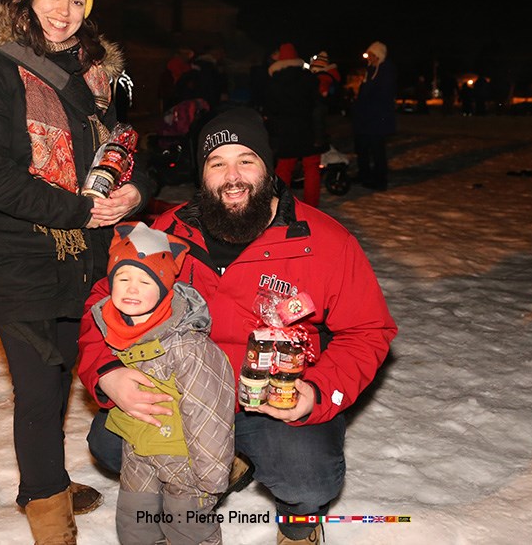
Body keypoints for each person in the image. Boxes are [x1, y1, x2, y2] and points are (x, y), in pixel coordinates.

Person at [79, 106, 397, 545]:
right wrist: (106, 373)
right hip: (183, 392)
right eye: (217, 163)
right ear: (202, 174)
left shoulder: (324, 241)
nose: (232, 176)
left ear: (268, 169)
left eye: (246, 160)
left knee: (307, 479)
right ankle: (224, 463)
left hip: (273, 399)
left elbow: (368, 330)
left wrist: (318, 391)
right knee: (110, 442)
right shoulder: (166, 233)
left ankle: (297, 524)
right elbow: (103, 300)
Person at [0, 0, 154, 544]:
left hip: (88, 258)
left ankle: (45, 479)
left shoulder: (98, 76)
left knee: (67, 372)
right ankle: (48, 516)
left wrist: (135, 194)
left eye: (75, 0)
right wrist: (79, 209)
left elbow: (130, 150)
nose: (62, 11)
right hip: (22, 258)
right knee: (40, 388)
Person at [90, 221, 234, 545]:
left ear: (165, 289)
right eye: (123, 278)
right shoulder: (116, 332)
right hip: (138, 452)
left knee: (188, 530)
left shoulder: (188, 347)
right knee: (135, 525)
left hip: (184, 460)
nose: (132, 288)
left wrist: (210, 478)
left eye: (145, 281)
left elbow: (210, 412)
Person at [262, 43, 323, 208]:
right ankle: (311, 205)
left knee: (284, 167)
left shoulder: (274, 81)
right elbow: (317, 107)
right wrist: (320, 133)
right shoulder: (309, 78)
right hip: (308, 128)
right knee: (311, 167)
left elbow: (270, 110)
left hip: (285, 131)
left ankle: (282, 204)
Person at [351, 41, 397, 191]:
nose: (368, 57)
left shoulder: (385, 70)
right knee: (362, 147)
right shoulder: (370, 70)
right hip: (365, 118)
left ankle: (380, 179)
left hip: (377, 119)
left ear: (378, 55)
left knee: (377, 150)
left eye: (371, 55)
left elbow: (382, 94)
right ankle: (364, 174)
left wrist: (366, 92)